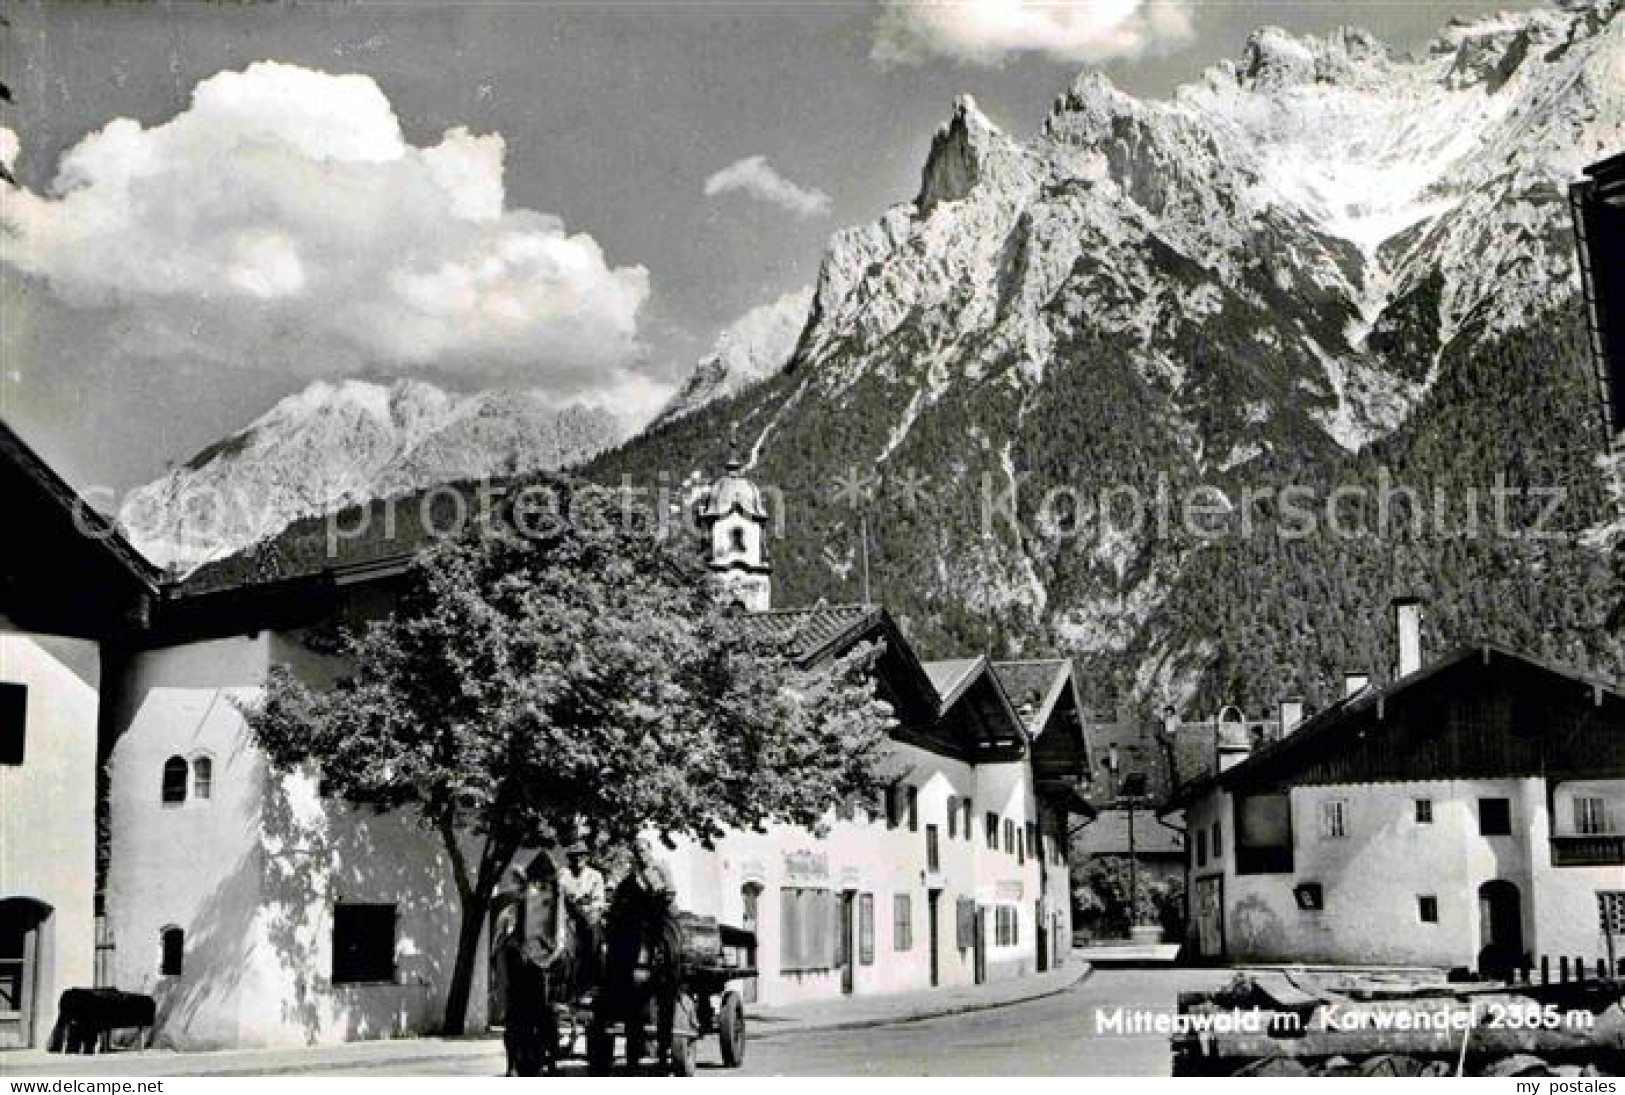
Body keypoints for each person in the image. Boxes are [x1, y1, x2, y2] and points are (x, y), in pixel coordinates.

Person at [559, 842, 606, 991]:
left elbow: (599, 901)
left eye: (581, 855)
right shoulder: (563, 874)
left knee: (592, 939)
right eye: (574, 856)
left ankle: (589, 981)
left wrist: (587, 908)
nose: (578, 858)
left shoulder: (595, 876)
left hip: (587, 916)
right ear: (570, 858)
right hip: (565, 916)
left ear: (586, 857)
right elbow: (558, 892)